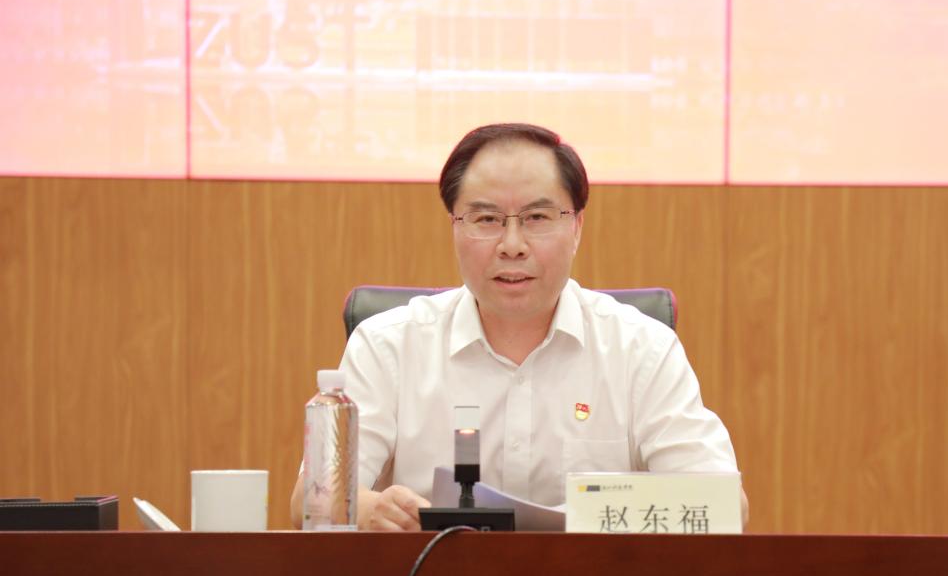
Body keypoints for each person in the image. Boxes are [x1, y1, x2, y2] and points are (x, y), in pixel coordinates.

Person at [290, 123, 746, 531]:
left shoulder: (642, 349)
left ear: (577, 227)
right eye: (487, 219)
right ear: (454, 227)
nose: (512, 245)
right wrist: (370, 509)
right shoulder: (387, 346)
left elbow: (724, 505)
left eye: (537, 218)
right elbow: (312, 500)